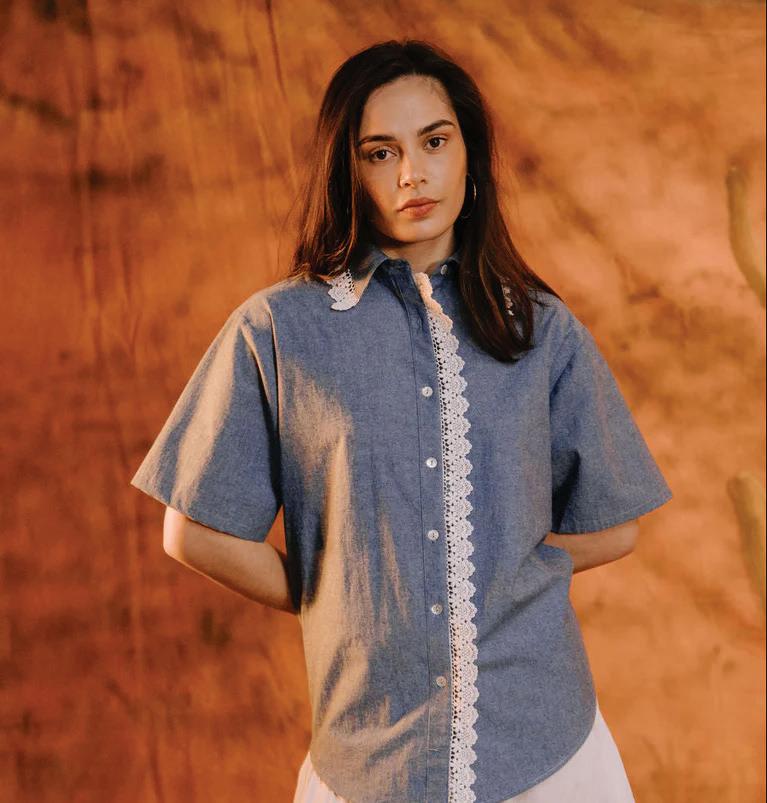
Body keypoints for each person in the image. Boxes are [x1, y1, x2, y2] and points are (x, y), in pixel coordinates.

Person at [130, 39, 673, 803]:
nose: (411, 173)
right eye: (380, 153)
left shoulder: (536, 327)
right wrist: (340, 594)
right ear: (348, 172)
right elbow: (192, 531)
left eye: (434, 142)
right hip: (367, 760)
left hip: (550, 750)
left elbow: (614, 525)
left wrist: (502, 569)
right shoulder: (279, 330)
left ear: (469, 155)